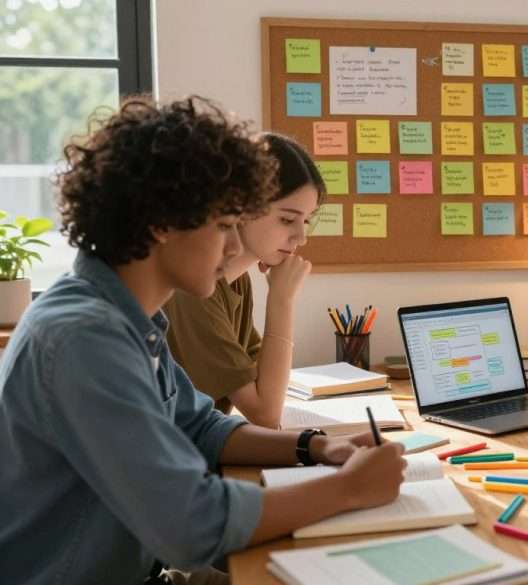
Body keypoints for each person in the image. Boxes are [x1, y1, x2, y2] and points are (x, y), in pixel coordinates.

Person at [0, 96, 406, 585]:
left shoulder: (128, 319)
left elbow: (201, 427)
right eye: (222, 226)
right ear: (160, 224)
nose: (234, 247)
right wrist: (348, 490)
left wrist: (317, 448)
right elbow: (189, 524)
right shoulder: (85, 339)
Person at [164, 132, 322, 428]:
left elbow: (261, 379)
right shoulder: (197, 289)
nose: (301, 237)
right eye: (287, 219)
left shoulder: (237, 281)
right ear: (241, 207)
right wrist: (282, 300)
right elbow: (265, 413)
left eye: (307, 221)